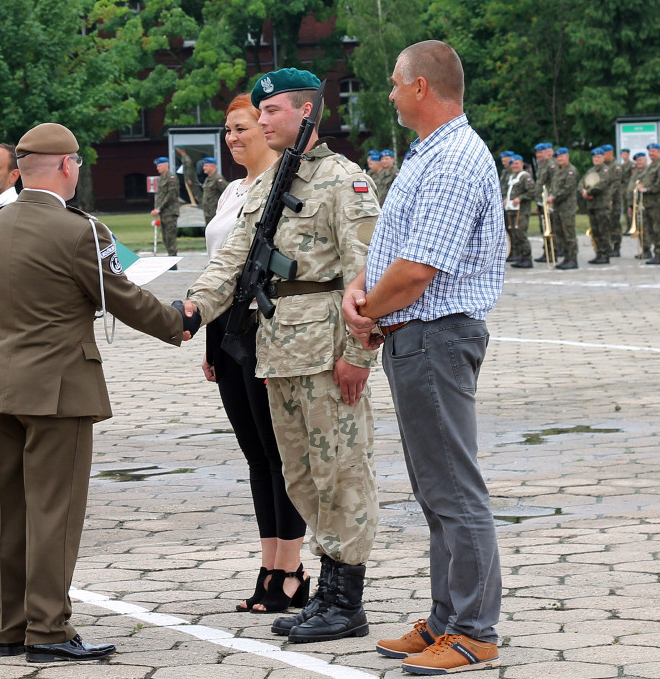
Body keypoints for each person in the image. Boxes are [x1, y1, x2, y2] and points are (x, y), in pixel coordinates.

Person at [0, 122, 195, 663]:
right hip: (59, 388)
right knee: (53, 511)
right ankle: (48, 630)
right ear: (68, 166)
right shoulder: (79, 231)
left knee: (6, 513)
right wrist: (177, 322)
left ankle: (10, 625)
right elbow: (121, 296)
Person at [184, 68, 381, 645]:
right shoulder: (273, 182)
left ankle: (347, 600)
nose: (263, 120)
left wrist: (359, 356)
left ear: (307, 114)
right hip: (278, 350)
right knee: (301, 477)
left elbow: (366, 277)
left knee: (340, 473)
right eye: (261, 111)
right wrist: (193, 308)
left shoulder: (347, 181)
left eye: (273, 112)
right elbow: (236, 260)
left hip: (327, 353)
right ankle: (325, 589)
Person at [342, 40, 504, 674]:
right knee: (436, 488)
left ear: (421, 88)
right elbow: (394, 251)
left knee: (455, 490)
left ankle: (473, 630)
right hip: (416, 334)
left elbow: (417, 270)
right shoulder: (430, 154)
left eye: (392, 81)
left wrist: (369, 308)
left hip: (434, 333)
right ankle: (446, 618)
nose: (387, 92)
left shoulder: (456, 158)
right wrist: (364, 288)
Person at [201, 94, 308, 614]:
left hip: (267, 329)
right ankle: (270, 565)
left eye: (243, 126)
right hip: (227, 331)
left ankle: (292, 570)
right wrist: (209, 341)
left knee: (279, 452)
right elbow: (217, 268)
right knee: (254, 455)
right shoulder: (230, 193)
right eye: (229, 130)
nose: (235, 137)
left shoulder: (281, 188)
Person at [547, 148, 580, 269]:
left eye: (562, 157)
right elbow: (553, 187)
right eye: (558, 157)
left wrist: (553, 197)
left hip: (567, 208)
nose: (560, 159)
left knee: (569, 233)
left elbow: (567, 189)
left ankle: (573, 259)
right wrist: (551, 197)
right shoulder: (558, 171)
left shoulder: (571, 171)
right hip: (557, 207)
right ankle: (566, 258)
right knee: (560, 234)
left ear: (567, 157)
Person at [581, 147, 612, 264]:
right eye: (594, 157)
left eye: (599, 157)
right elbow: (581, 183)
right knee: (595, 231)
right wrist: (583, 192)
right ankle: (598, 253)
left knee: (603, 230)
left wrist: (588, 193)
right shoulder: (590, 171)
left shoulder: (605, 170)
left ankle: (605, 254)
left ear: (603, 158)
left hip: (602, 205)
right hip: (592, 205)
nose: (596, 159)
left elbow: (601, 185)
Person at [503, 154, 535, 268]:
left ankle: (527, 258)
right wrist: (506, 199)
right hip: (511, 210)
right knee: (515, 233)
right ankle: (520, 257)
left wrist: (520, 198)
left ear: (522, 164)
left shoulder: (525, 176)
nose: (515, 166)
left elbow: (531, 192)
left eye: (517, 163)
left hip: (521, 210)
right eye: (513, 164)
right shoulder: (511, 177)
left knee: (521, 233)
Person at [533, 143, 560, 262]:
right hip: (541, 201)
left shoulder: (551, 165)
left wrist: (552, 197)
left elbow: (555, 182)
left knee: (551, 227)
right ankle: (546, 252)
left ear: (546, 152)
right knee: (544, 227)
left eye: (541, 152)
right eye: (537, 153)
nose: (539, 155)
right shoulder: (541, 166)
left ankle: (554, 252)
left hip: (548, 201)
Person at [150, 155, 181, 256]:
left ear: (165, 165)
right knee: (165, 237)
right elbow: (160, 196)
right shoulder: (161, 178)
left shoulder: (171, 177)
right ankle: (170, 255)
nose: (157, 168)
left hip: (170, 211)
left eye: (159, 166)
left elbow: (171, 195)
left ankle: (173, 258)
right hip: (163, 212)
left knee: (170, 236)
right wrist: (156, 209)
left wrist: (159, 208)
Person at [636, 143, 660, 265]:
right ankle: (656, 253)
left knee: (658, 229)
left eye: (654, 151)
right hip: (649, 204)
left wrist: (646, 189)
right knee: (651, 229)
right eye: (650, 151)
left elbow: (658, 184)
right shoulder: (651, 166)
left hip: (657, 203)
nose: (651, 153)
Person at [602, 144, 623, 256]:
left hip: (614, 200)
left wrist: (609, 198)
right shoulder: (603, 166)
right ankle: (608, 245)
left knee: (614, 223)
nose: (603, 156)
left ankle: (616, 246)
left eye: (604, 154)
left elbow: (615, 184)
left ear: (610, 153)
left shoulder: (616, 166)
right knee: (606, 223)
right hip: (604, 200)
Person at [200, 156, 227, 226]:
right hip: (208, 212)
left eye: (206, 165)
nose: (203, 168)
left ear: (213, 166)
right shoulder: (208, 179)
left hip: (215, 212)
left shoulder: (218, 179)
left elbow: (226, 194)